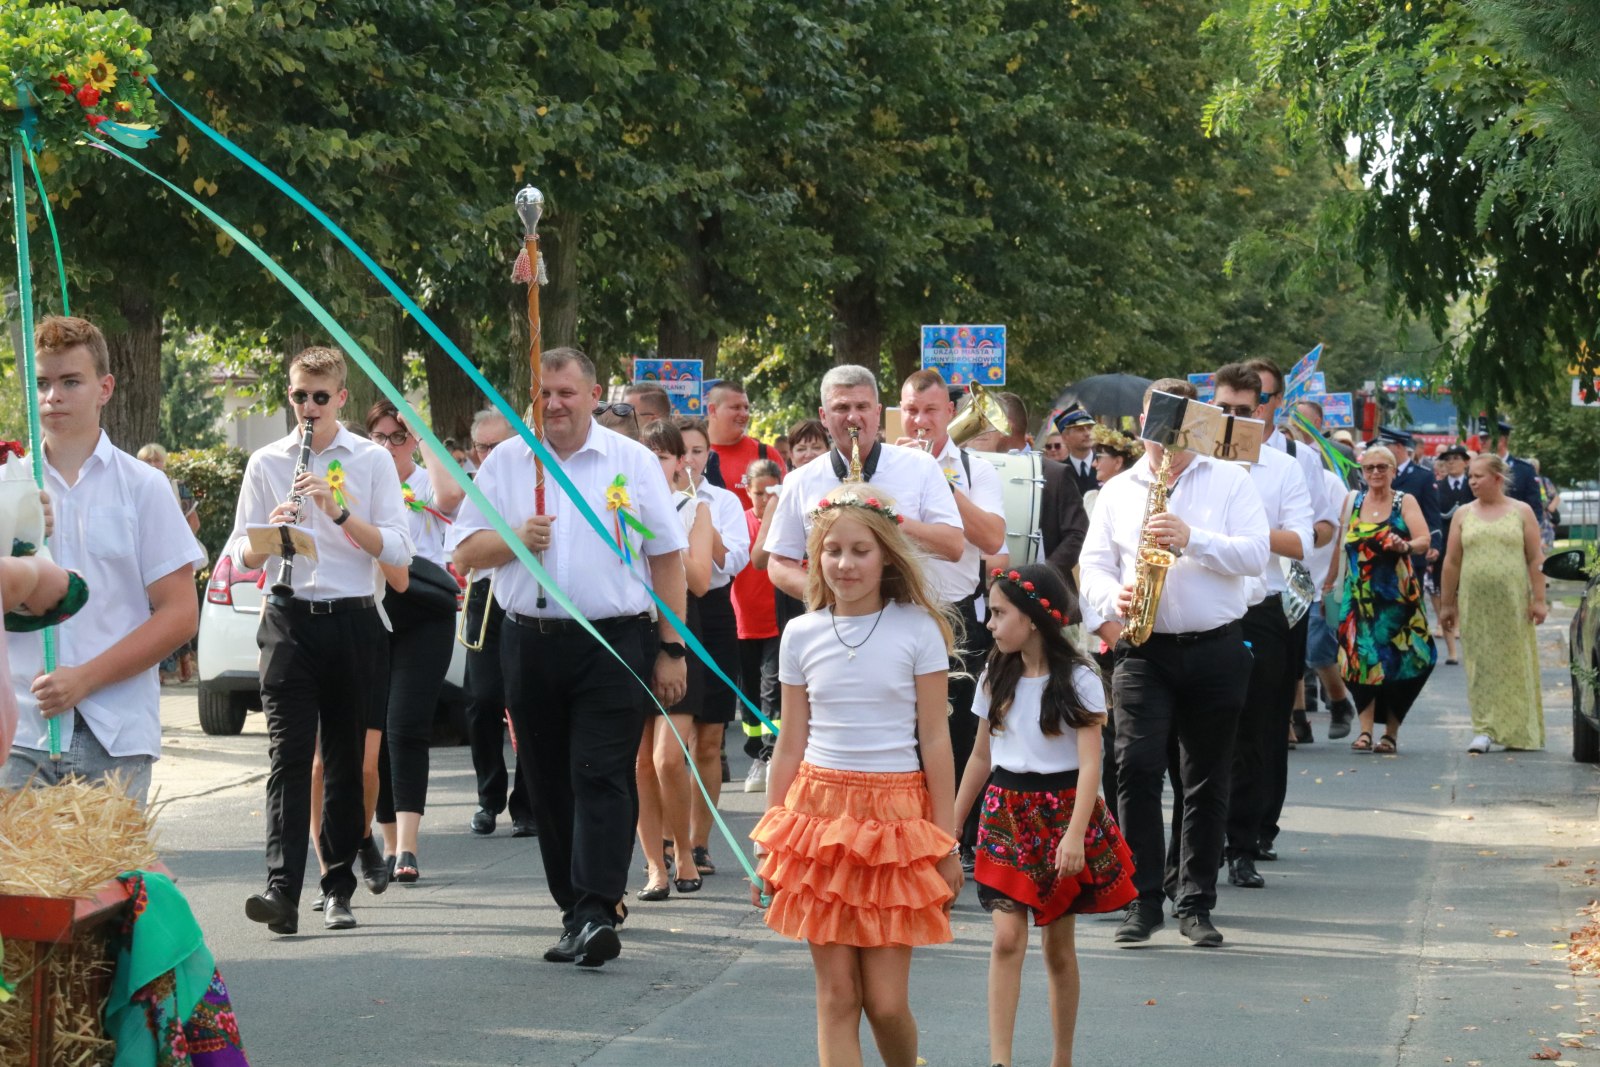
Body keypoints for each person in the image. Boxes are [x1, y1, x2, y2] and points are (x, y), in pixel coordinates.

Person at [451, 347, 688, 968]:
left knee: (601, 772)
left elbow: (666, 557)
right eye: (544, 394)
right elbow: (465, 552)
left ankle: (596, 907)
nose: (554, 405)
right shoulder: (507, 462)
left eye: (566, 392)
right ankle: (573, 910)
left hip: (615, 641)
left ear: (593, 394)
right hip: (528, 639)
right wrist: (513, 539)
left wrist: (671, 647)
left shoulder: (632, 462)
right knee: (549, 782)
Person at [749, 483, 963, 1067]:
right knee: (837, 995)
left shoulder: (918, 629)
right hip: (817, 818)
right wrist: (770, 841)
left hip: (896, 821)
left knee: (887, 1003)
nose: (845, 564)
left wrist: (946, 842)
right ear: (815, 555)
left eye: (860, 550)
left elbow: (936, 741)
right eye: (832, 550)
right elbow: (789, 742)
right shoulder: (801, 634)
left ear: (887, 554)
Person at [1079, 377, 1269, 948]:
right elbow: (1093, 566)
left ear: (1198, 424)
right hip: (1144, 649)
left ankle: (1195, 901)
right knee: (1134, 768)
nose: (1165, 436)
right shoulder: (1119, 489)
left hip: (1215, 645)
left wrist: (1192, 538)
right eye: (1156, 423)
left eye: (1179, 422)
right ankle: (1142, 899)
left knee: (1205, 777)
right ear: (1142, 425)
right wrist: (1112, 599)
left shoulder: (1231, 480)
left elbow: (1257, 554)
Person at [231, 345, 414, 934]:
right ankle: (281, 889)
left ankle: (338, 886)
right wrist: (269, 535)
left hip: (353, 619)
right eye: (297, 397)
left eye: (318, 397)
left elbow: (399, 550)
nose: (307, 409)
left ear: (340, 398)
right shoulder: (266, 461)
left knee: (341, 761)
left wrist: (336, 514)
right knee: (287, 758)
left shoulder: (370, 461)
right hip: (287, 616)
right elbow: (238, 551)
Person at [0, 317, 203, 806]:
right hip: (20, 733)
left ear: (105, 388)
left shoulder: (144, 486)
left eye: (71, 381)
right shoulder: (9, 483)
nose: (54, 397)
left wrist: (85, 678)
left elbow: (179, 614)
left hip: (112, 734)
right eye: (44, 384)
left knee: (108, 884)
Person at [954, 563, 1135, 1067]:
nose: (989, 623)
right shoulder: (995, 673)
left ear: (1032, 618)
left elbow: (1092, 763)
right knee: (1007, 937)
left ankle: (1061, 1058)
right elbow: (980, 757)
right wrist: (952, 821)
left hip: (1061, 814)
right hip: (1006, 813)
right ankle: (1000, 1059)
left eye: (998, 613)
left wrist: (1076, 835)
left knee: (1058, 948)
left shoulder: (1078, 677)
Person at [1207, 365, 1314, 892]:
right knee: (1203, 733)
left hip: (1262, 607)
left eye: (1243, 411)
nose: (1231, 420)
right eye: (1222, 408)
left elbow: (1300, 543)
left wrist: (1247, 535)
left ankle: (1243, 845)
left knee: (1257, 732)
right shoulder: (1192, 459)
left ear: (1263, 410)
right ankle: (1198, 844)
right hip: (1206, 606)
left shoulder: (1282, 467)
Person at [898, 368, 1007, 866]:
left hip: (957, 613)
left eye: (931, 411)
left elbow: (990, 540)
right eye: (911, 411)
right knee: (903, 729)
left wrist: (942, 483)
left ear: (950, 414)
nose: (920, 421)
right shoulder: (887, 463)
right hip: (897, 610)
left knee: (961, 729)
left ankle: (956, 839)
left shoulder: (974, 467)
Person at [765, 365, 964, 603]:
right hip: (835, 620)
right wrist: (830, 598)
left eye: (862, 406)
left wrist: (890, 521)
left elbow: (953, 547)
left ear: (877, 412)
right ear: (823, 416)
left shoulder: (921, 465)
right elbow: (779, 563)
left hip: (908, 615)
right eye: (841, 407)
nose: (852, 417)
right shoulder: (799, 479)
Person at [364, 400, 461, 883]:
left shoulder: (423, 479)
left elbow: (449, 498)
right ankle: (386, 841)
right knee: (376, 728)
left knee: (406, 724)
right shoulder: (359, 483)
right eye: (378, 437)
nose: (386, 446)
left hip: (425, 611)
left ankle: (408, 847)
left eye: (395, 437)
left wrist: (419, 431)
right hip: (376, 610)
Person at [634, 419, 715, 900]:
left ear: (679, 462)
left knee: (668, 757)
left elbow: (700, 581)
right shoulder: (617, 507)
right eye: (646, 455)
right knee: (640, 762)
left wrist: (663, 539)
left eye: (663, 456)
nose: (654, 464)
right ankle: (654, 866)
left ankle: (684, 851)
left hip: (679, 635)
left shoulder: (692, 508)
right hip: (629, 633)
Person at [676, 416, 752, 876]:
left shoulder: (722, 501)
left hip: (717, 610)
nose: (689, 460)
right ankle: (670, 838)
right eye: (680, 451)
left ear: (709, 455)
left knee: (709, 738)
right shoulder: (654, 499)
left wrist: (699, 513)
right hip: (672, 607)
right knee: (672, 740)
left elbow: (735, 559)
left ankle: (699, 842)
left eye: (698, 451)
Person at [1324, 444, 1436, 755]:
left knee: (1401, 663)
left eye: (1382, 467)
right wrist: (1329, 583)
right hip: (1356, 597)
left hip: (1397, 600)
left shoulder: (1404, 501)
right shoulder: (1352, 502)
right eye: (1370, 467)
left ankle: (1390, 733)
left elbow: (1424, 540)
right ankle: (1363, 731)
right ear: (1362, 472)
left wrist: (1405, 546)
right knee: (1357, 663)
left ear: (1393, 471)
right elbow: (1339, 546)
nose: (1375, 473)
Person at [460, 409, 536, 838]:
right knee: (482, 698)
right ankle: (488, 797)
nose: (489, 453)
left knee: (526, 703)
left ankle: (527, 803)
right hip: (484, 595)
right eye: (483, 447)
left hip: (524, 597)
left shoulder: (528, 481)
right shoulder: (475, 486)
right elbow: (465, 549)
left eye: (497, 445)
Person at [1440, 454, 1547, 754]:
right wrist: (1448, 604)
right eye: (1471, 476)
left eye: (1478, 476)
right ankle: (1484, 729)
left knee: (1515, 663)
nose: (1472, 481)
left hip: (1514, 602)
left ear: (1498, 479)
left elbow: (1535, 558)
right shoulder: (1463, 514)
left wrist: (1539, 600)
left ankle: (1519, 730)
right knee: (1481, 664)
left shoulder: (1521, 511)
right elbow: (1451, 562)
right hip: (1475, 603)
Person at [733, 458, 783, 792]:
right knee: (748, 695)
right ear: (747, 491)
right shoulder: (739, 523)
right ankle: (757, 754)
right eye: (757, 493)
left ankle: (771, 754)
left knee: (772, 693)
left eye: (770, 492)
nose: (764, 500)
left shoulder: (786, 525)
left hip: (777, 625)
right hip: (743, 624)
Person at [706, 379, 787, 512]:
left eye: (746, 408)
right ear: (713, 410)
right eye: (736, 407)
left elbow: (785, 507)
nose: (744, 414)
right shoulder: (693, 454)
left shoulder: (766, 454)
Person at [1432, 444, 1474, 664]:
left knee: (1467, 596)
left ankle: (1469, 646)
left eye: (1456, 458)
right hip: (1446, 548)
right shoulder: (1437, 487)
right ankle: (1452, 652)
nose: (1451, 462)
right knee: (1446, 595)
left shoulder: (1473, 485)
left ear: (1465, 462)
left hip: (1470, 546)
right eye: (1447, 459)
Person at [1482, 417, 1543, 517]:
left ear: (1501, 440)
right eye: (1482, 438)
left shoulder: (1524, 470)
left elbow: (1535, 508)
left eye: (1487, 438)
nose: (1482, 442)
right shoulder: (1478, 469)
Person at [1055, 407, 1098, 496]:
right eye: (1080, 429)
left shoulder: (1106, 464)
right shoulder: (1059, 472)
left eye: (1089, 428)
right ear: (1065, 437)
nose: (1087, 434)